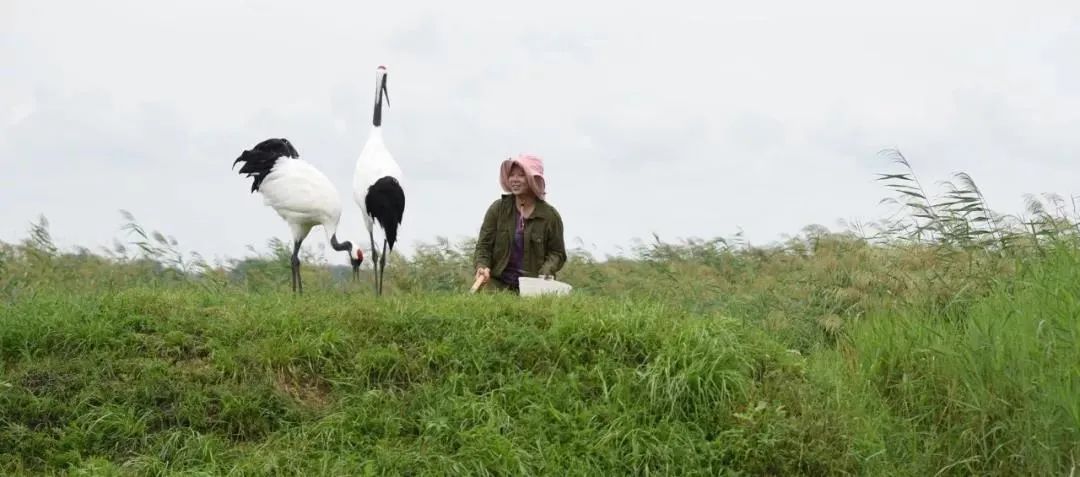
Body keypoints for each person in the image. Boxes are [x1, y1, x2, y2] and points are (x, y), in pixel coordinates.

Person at [473, 154, 566, 293]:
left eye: (521, 175)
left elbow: (557, 253)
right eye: (512, 175)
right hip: (497, 285)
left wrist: (546, 271)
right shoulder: (498, 209)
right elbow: (484, 246)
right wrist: (482, 266)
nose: (514, 180)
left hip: (533, 288)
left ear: (533, 180)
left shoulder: (550, 216)